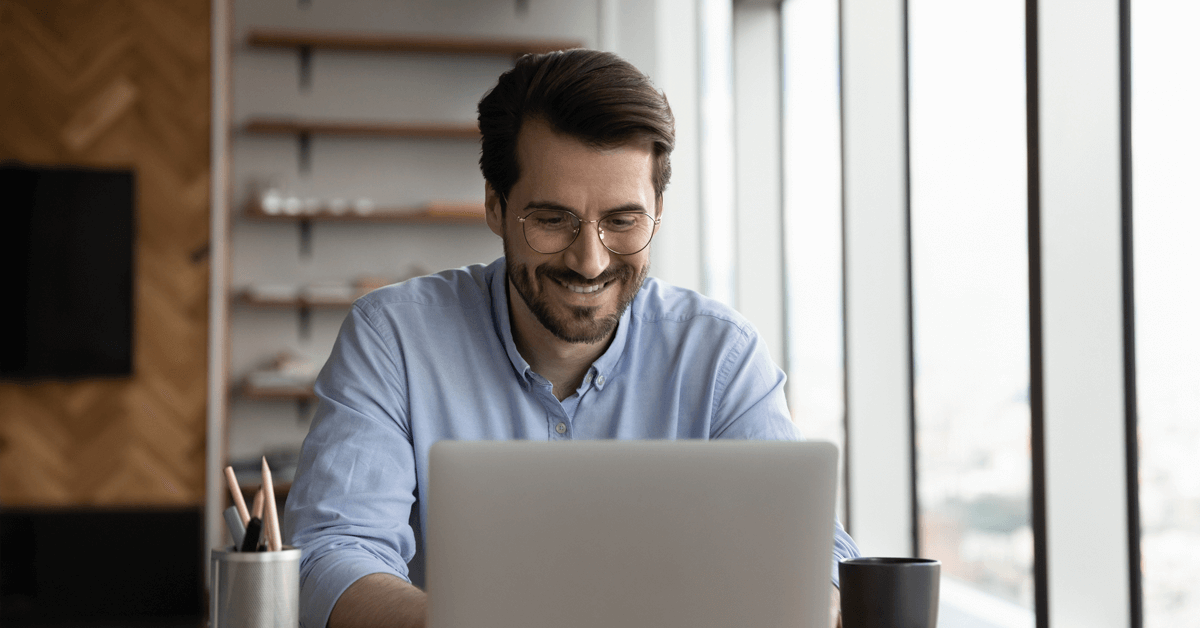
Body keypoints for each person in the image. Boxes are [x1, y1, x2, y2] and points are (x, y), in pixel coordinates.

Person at [284, 48, 859, 628]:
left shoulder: (721, 357)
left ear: (658, 210)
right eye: (553, 219)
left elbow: (818, 561)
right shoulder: (394, 339)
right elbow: (330, 559)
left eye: (623, 221)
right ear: (495, 205)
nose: (590, 261)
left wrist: (818, 594)